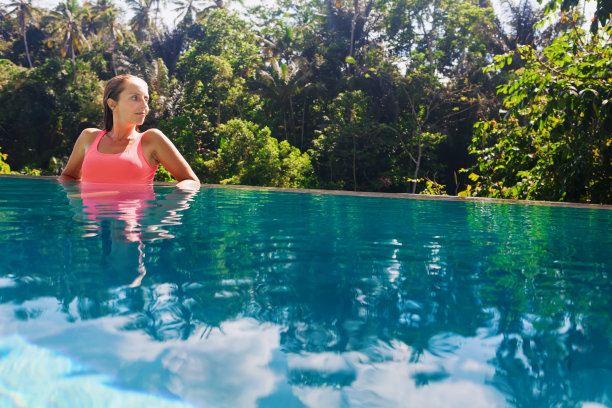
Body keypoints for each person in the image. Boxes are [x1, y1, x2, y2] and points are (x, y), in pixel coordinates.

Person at [60, 74, 200, 190]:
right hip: (93, 223)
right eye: (135, 98)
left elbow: (191, 181)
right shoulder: (88, 137)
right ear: (112, 104)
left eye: (146, 99)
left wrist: (162, 213)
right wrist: (78, 209)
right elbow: (68, 177)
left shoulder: (152, 139)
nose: (144, 106)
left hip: (134, 223)